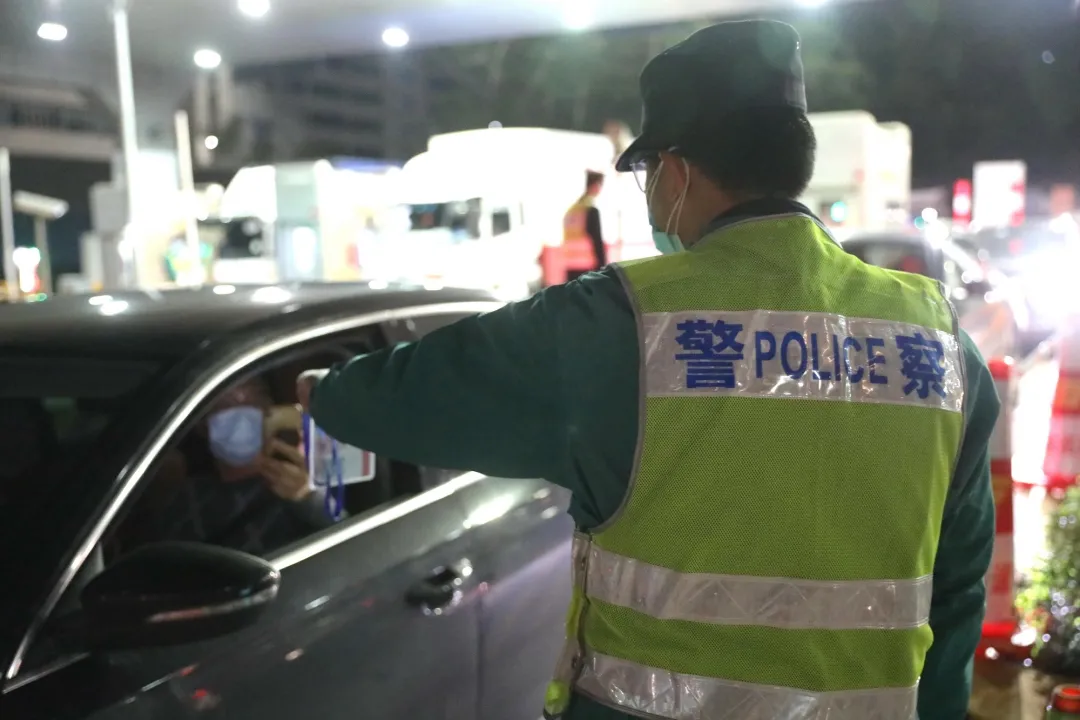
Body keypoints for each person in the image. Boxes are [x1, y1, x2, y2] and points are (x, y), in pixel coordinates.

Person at [297, 20, 996, 720]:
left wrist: (318, 393)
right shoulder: (939, 343)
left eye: (647, 171)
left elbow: (413, 395)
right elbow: (958, 585)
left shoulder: (615, 325)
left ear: (677, 170)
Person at [128, 377, 343, 556]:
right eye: (224, 403)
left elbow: (348, 549)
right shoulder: (184, 497)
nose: (242, 410)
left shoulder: (298, 484)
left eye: (255, 397)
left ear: (271, 411)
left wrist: (309, 498)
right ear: (202, 425)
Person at [561, 170, 607, 282]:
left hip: (570, 265)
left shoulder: (572, 210)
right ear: (596, 185)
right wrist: (603, 268)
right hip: (587, 266)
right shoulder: (590, 210)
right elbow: (597, 241)